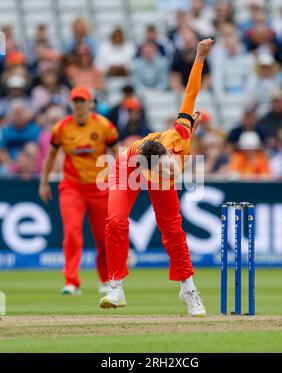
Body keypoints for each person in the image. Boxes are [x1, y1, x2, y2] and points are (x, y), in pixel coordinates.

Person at [99, 38, 215, 317]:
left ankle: (188, 289)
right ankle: (115, 286)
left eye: (168, 167)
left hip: (149, 156)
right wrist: (150, 171)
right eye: (163, 172)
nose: (171, 172)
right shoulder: (143, 164)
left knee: (173, 231)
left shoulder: (180, 132)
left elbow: (191, 91)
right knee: (115, 221)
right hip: (127, 167)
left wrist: (199, 56)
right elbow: (146, 168)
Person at [39, 86, 119, 295]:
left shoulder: (104, 126)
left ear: (91, 103)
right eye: (76, 101)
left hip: (100, 187)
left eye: (83, 101)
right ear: (71, 104)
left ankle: (106, 279)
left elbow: (118, 153)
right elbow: (51, 155)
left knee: (103, 237)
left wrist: (123, 179)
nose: (79, 105)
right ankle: (72, 281)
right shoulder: (61, 128)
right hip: (72, 186)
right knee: (72, 233)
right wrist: (44, 182)